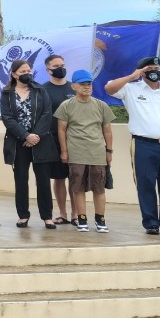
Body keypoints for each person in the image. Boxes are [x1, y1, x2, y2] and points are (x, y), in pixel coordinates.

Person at [104, 56, 160, 236]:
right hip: (143, 145)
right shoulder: (130, 89)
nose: (155, 71)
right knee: (146, 185)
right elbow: (109, 88)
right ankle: (151, 223)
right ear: (142, 71)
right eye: (150, 68)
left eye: (157, 68)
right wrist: (133, 75)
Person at [0, 58, 58, 229]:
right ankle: (23, 215)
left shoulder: (40, 90)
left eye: (28, 71)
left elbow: (47, 114)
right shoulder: (6, 93)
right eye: (22, 72)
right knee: (21, 179)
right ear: (14, 74)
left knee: (43, 180)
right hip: (18, 143)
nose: (26, 74)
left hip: (41, 142)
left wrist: (35, 136)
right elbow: (7, 118)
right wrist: (25, 136)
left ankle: (47, 216)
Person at [56, 69, 114, 233]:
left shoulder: (101, 105)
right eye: (82, 84)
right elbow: (61, 130)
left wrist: (109, 151)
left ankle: (100, 220)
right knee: (78, 188)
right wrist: (64, 151)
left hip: (97, 153)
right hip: (76, 153)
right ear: (73, 86)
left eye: (89, 84)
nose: (87, 87)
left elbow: (107, 130)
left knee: (99, 188)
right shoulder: (66, 106)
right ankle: (82, 219)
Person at [42, 54, 75, 225]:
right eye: (56, 66)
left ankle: (76, 214)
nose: (60, 68)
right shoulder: (43, 89)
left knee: (75, 177)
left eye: (62, 64)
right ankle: (62, 213)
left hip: (76, 139)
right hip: (53, 139)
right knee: (59, 177)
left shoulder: (74, 88)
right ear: (48, 69)